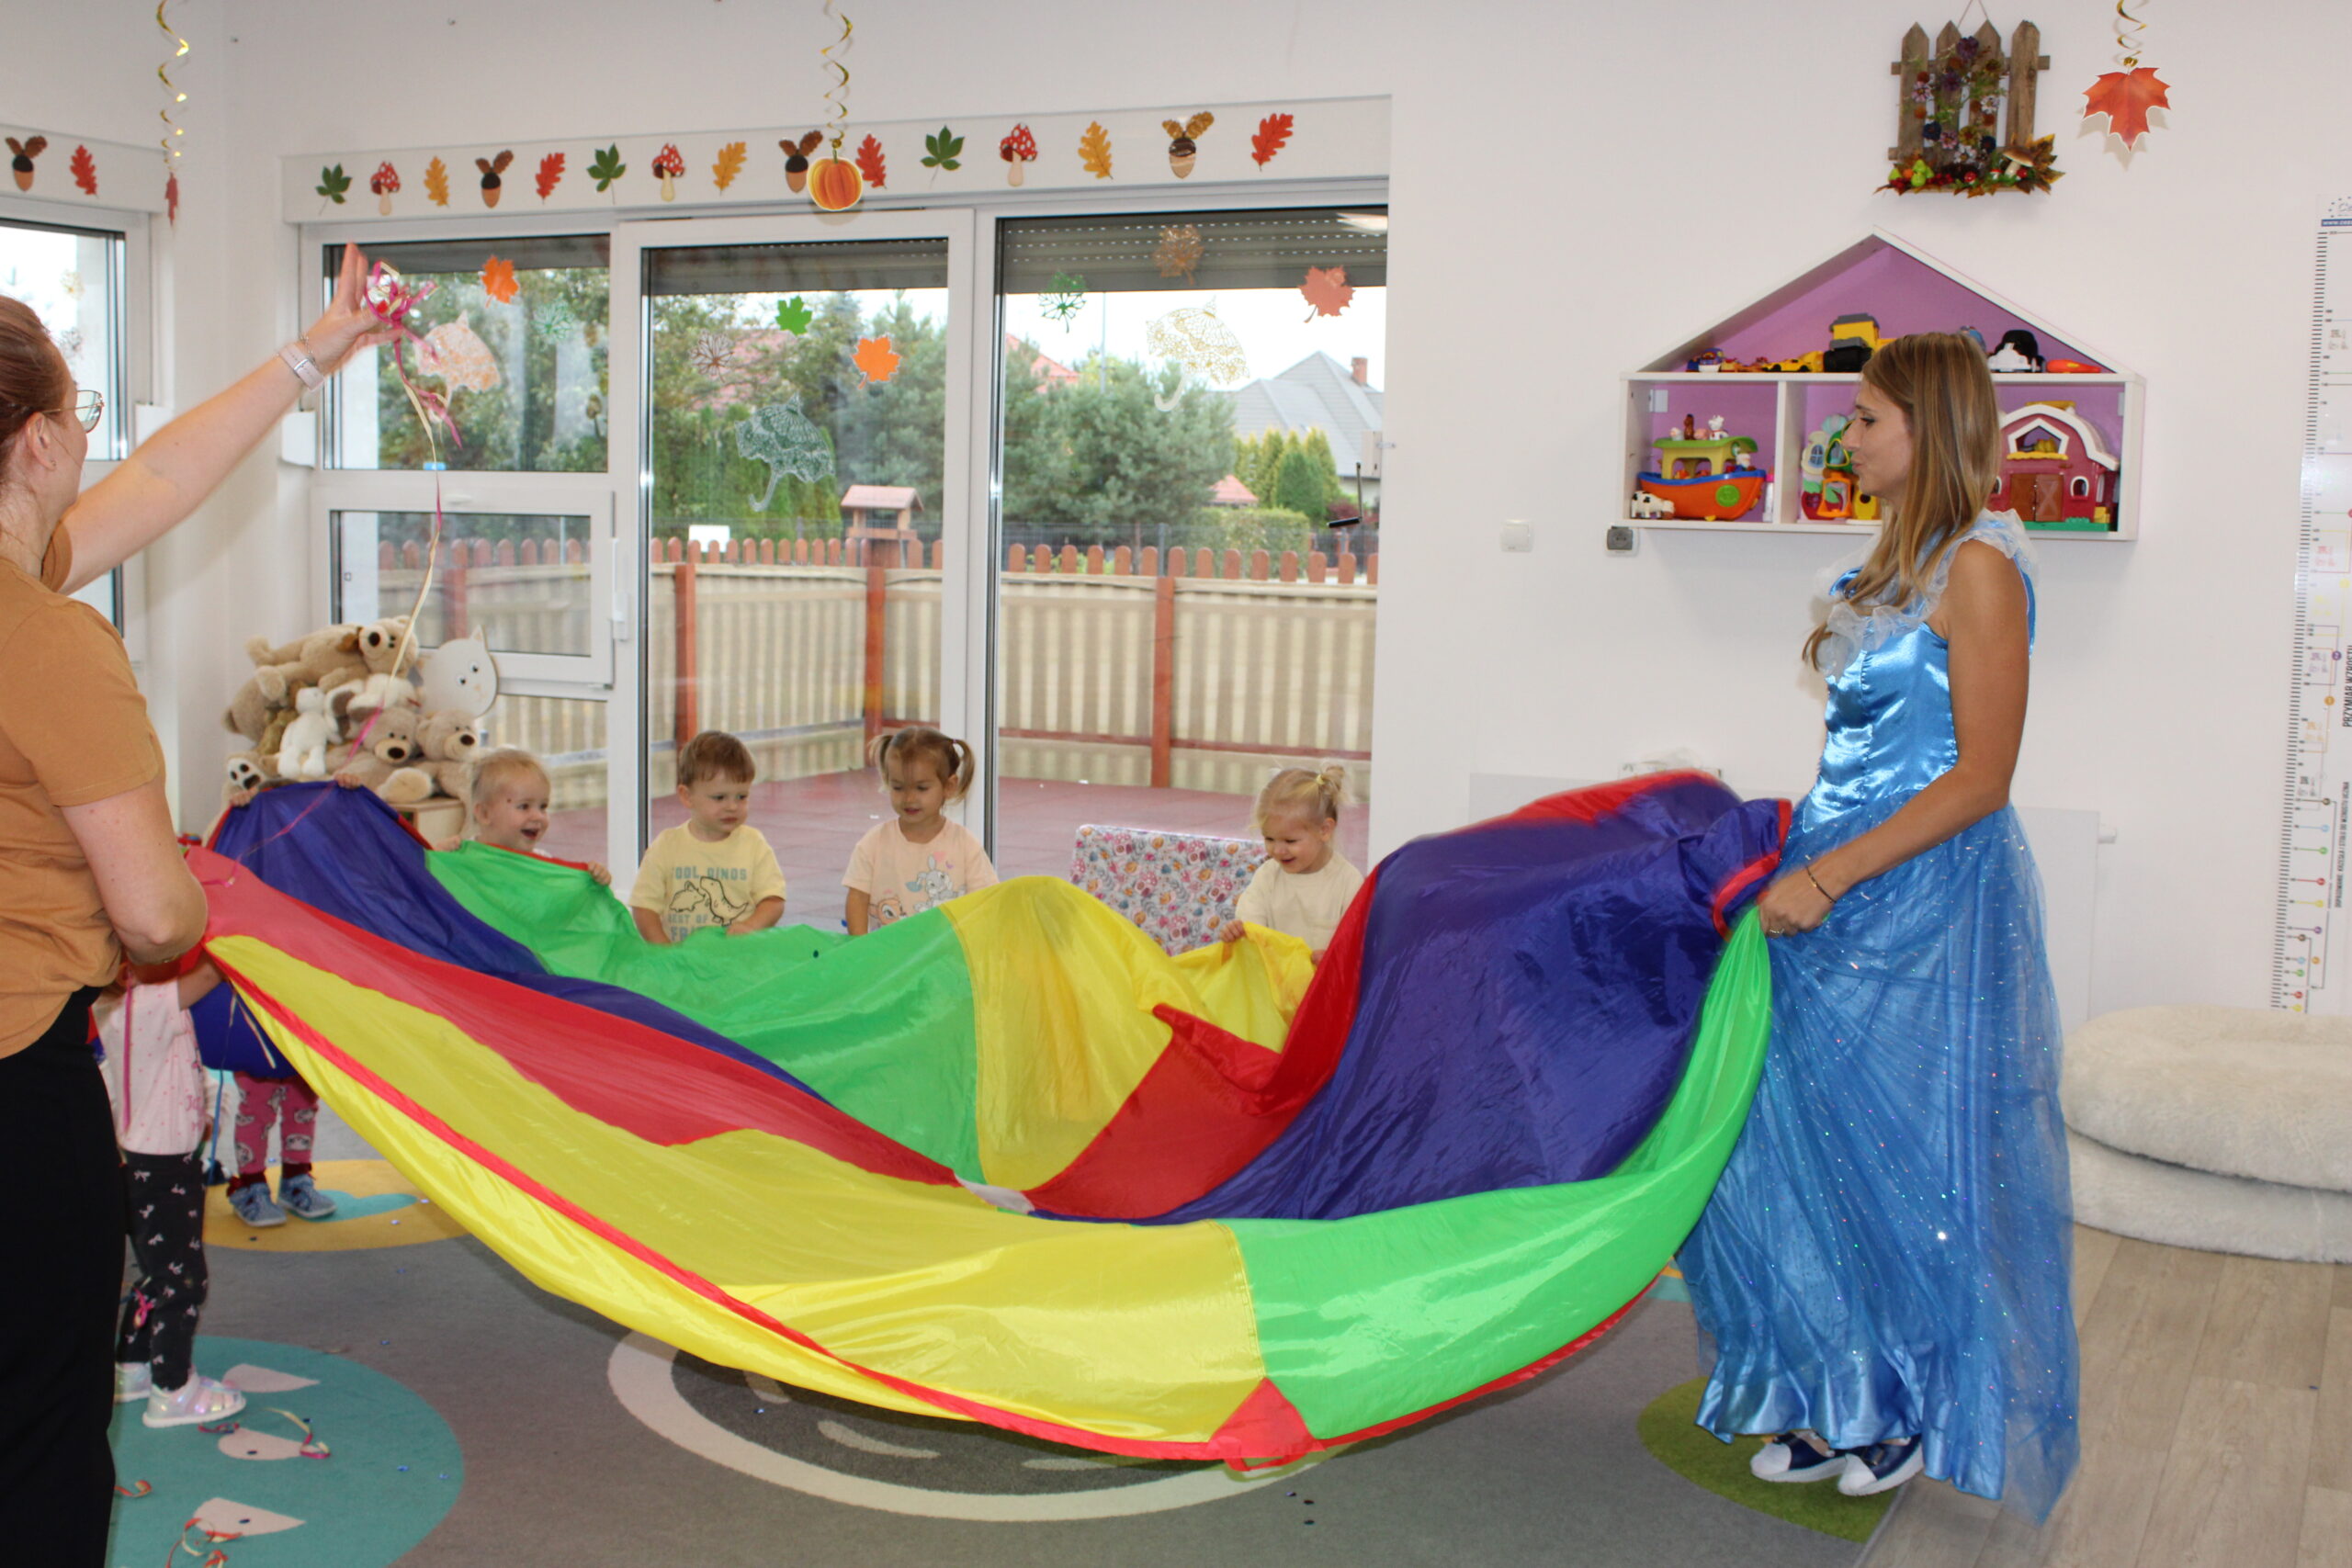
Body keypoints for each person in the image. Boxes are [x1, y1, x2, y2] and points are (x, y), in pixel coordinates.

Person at [0, 243, 391, 1563]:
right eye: (83, 417)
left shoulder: (32, 583)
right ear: (40, 440)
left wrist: (307, 358)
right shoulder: (45, 635)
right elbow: (159, 918)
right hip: (14, 1082)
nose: (97, 444)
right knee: (38, 1426)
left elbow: (161, 483)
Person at [1678, 333, 2077, 1517]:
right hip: (1836, 880)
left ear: (1928, 427)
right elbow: (1862, 754)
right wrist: (1794, 857)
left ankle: (1900, 1406)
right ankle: (1828, 1386)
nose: (1844, 438)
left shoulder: (1981, 567)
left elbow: (1981, 778)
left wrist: (1833, 874)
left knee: (1898, 1157)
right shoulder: (1888, 566)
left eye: (1863, 419)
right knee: (1791, 1140)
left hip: (1917, 899)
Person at [96, 959, 247, 1427]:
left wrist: (202, 1113)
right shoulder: (140, 1005)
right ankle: (173, 1389)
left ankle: (133, 1366)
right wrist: (232, 942)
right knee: (184, 1282)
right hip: (160, 1169)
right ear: (125, 969)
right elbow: (208, 975)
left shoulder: (133, 1004)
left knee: (160, 1272)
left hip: (160, 1163)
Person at [630, 729, 786, 943]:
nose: (732, 806)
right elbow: (644, 907)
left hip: (739, 958)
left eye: (741, 796)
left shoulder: (754, 844)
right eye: (719, 797)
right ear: (687, 796)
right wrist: (663, 951)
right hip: (681, 958)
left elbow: (773, 901)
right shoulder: (666, 846)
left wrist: (751, 926)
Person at [842, 727, 997, 934]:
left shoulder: (965, 845)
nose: (909, 798)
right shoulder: (874, 843)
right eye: (898, 787)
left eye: (921, 788)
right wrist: (858, 947)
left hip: (946, 953)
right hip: (890, 952)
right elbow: (857, 898)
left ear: (949, 786)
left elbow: (985, 903)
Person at [1216, 763, 1364, 961]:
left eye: (1290, 841)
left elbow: (1358, 944)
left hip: (1323, 981)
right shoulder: (1267, 876)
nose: (1278, 850)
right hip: (1274, 979)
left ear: (1324, 830)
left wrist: (1335, 959)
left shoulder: (1348, 881)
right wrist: (1237, 933)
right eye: (1269, 839)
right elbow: (1251, 931)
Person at [462, 746, 610, 884]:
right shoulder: (464, 858)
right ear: (485, 814)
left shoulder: (542, 863)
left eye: (543, 807)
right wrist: (448, 854)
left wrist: (590, 881)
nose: (538, 816)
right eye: (524, 806)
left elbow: (563, 894)